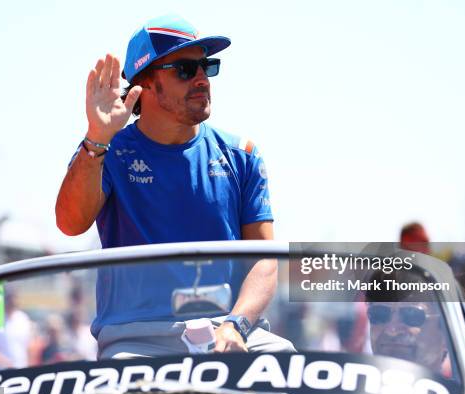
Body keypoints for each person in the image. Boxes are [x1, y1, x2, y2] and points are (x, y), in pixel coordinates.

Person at [55, 14, 290, 356]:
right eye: (184, 69)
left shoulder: (243, 155)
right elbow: (69, 223)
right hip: (136, 342)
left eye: (206, 67)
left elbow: (263, 261)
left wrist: (235, 325)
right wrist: (97, 137)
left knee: (292, 370)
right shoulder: (107, 151)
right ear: (143, 84)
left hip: (232, 333)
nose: (201, 79)